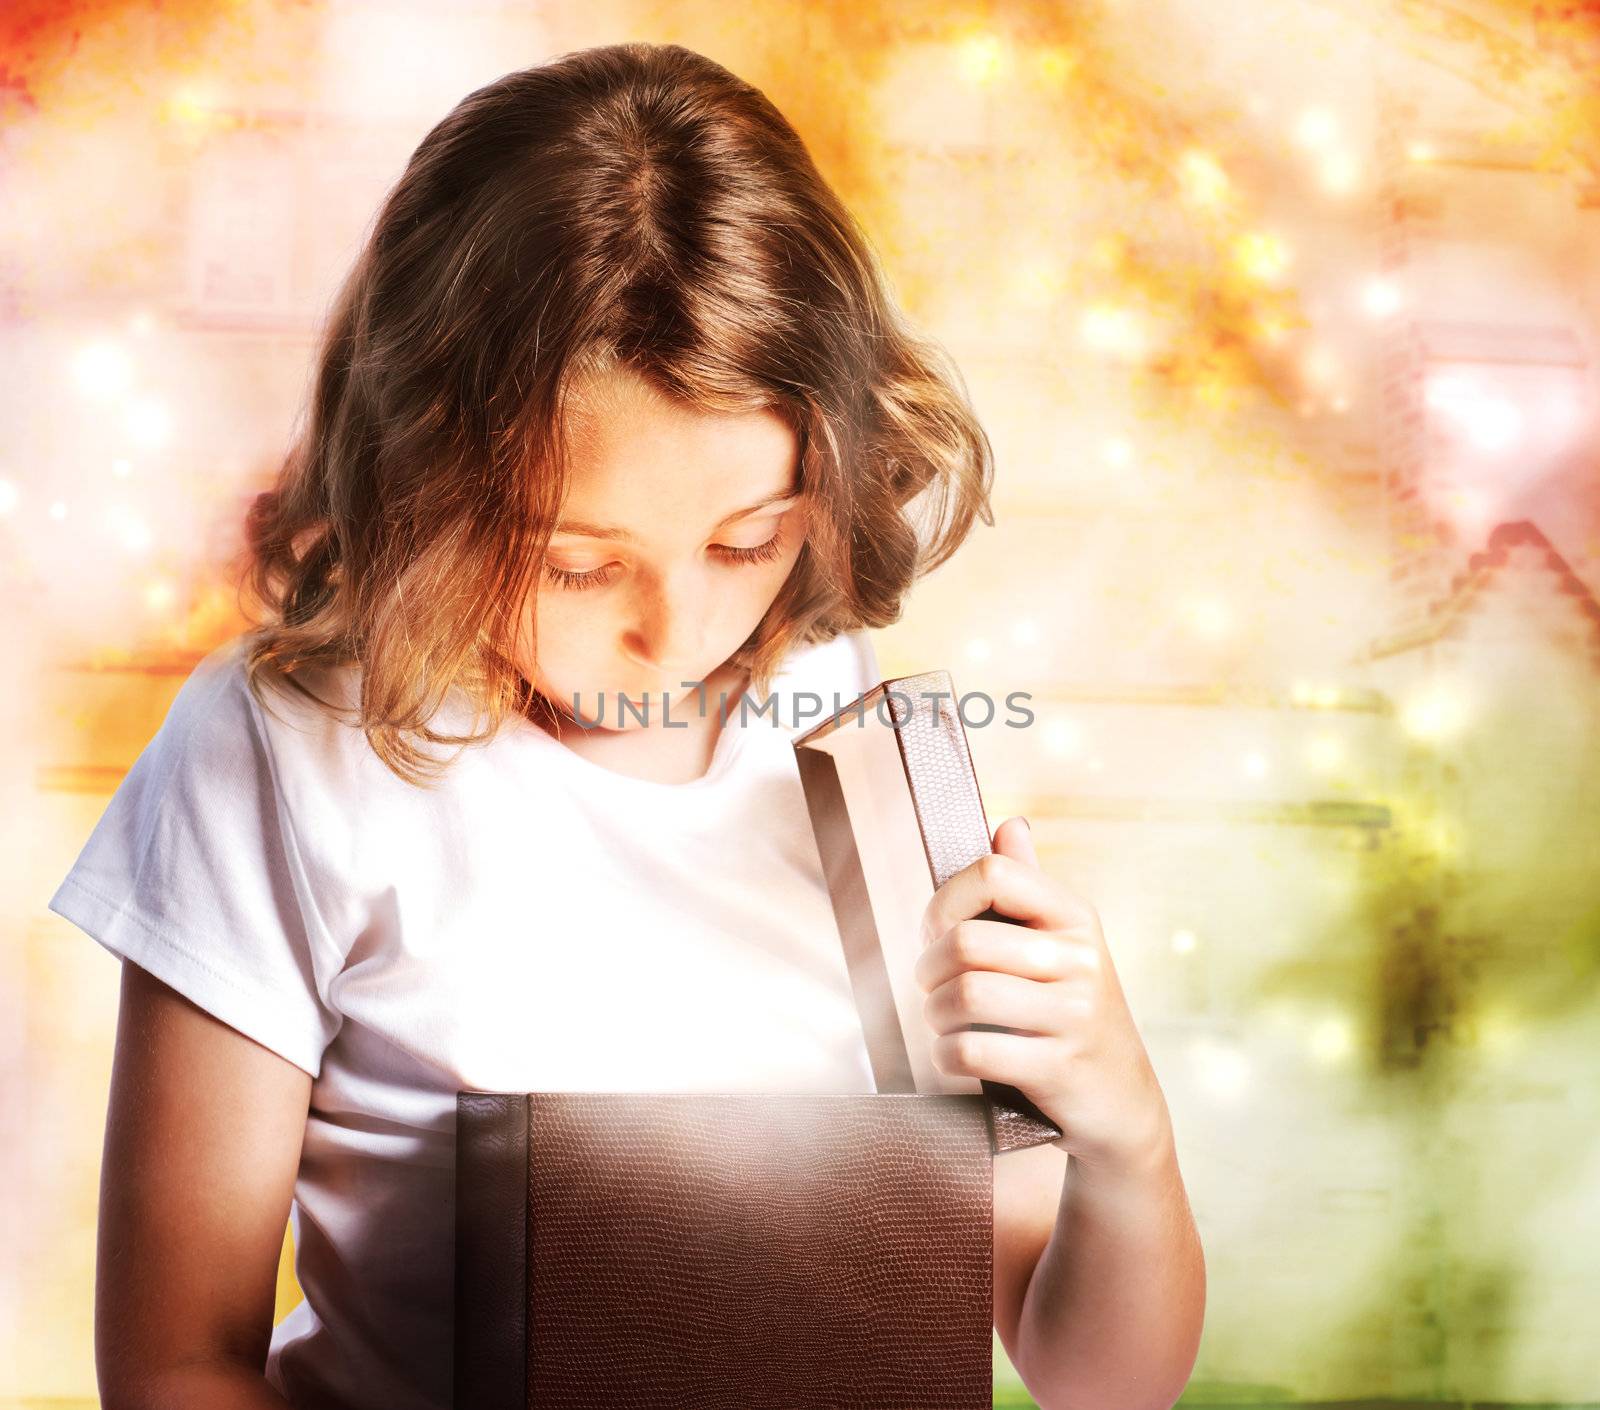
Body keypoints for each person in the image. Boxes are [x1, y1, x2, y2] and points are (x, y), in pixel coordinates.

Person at [49, 41, 1204, 1410]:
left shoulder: (846, 716)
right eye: (579, 565)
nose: (678, 632)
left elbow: (1095, 1375)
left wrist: (1122, 1123)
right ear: (425, 476)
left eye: (747, 540)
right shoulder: (282, 748)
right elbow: (178, 1362)